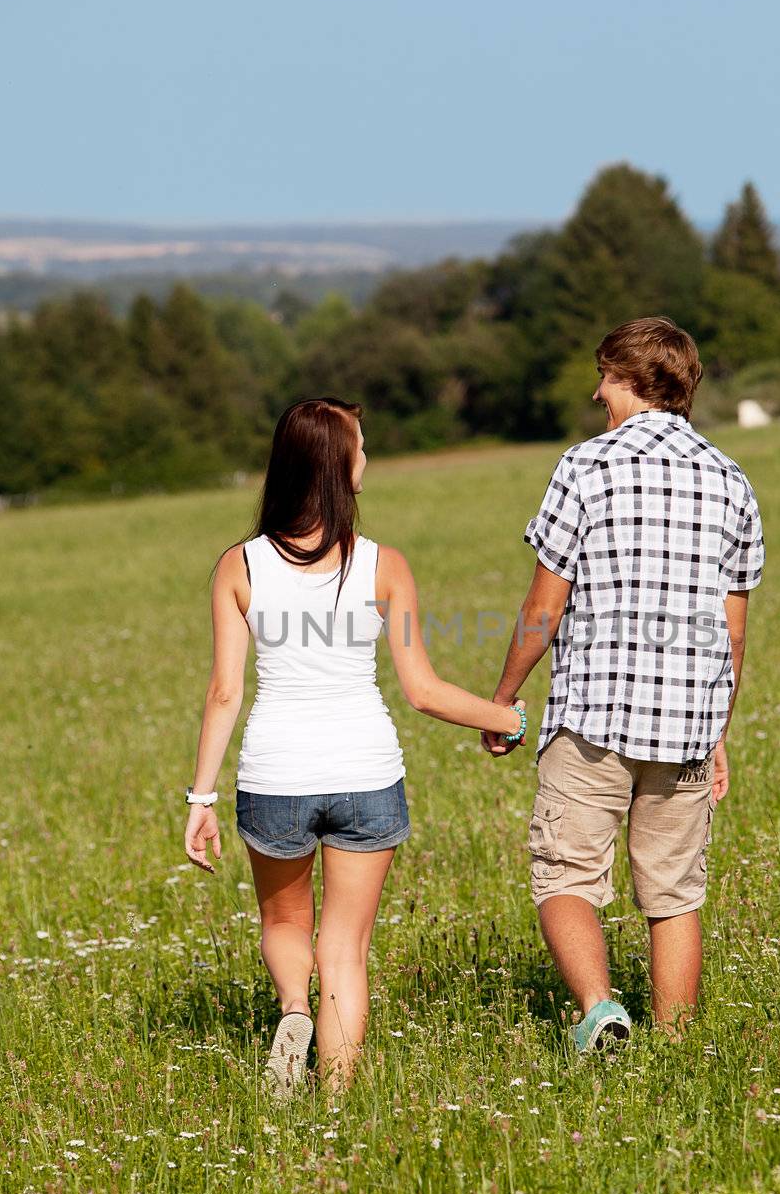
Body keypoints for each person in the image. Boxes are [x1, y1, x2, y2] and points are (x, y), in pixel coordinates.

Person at [184, 397, 527, 1099]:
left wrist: (201, 797)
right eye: (361, 447)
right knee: (345, 947)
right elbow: (424, 690)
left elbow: (225, 691)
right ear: (339, 466)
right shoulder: (382, 567)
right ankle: (337, 1101)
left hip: (275, 775)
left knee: (283, 921)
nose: (366, 457)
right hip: (366, 775)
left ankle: (292, 1012)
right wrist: (504, 717)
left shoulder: (238, 566)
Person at [483, 317, 765, 1050]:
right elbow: (732, 632)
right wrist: (719, 733)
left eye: (604, 377)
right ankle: (674, 1046)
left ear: (632, 381)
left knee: (566, 876)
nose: (597, 391)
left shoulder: (585, 467)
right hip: (687, 727)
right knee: (674, 894)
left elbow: (545, 606)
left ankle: (600, 1008)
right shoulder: (731, 479)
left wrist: (505, 694)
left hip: (593, 719)